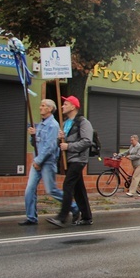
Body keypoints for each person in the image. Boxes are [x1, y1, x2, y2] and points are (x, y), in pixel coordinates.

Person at [21, 99, 78, 226]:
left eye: (43, 106)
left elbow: (50, 146)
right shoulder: (40, 125)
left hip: (46, 162)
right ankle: (31, 217)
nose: (40, 107)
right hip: (37, 161)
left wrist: (39, 161)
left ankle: (74, 207)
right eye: (40, 105)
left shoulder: (53, 125)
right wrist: (32, 136)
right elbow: (35, 144)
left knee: (51, 190)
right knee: (29, 190)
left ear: (50, 109)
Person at [47, 96, 93, 227]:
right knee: (79, 189)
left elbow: (87, 141)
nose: (62, 106)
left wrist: (69, 146)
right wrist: (60, 139)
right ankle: (86, 217)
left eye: (65, 104)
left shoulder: (83, 122)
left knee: (68, 185)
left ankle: (62, 217)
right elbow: (61, 144)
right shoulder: (65, 123)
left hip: (79, 159)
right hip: (70, 159)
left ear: (73, 107)